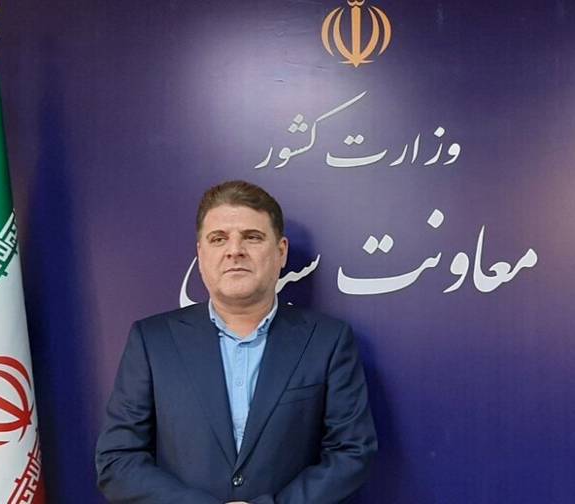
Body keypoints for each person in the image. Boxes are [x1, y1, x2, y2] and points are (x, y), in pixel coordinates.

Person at [96, 180, 377, 503]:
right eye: (218, 239)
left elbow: (352, 452)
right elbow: (118, 460)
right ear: (201, 254)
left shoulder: (328, 340)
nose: (234, 250)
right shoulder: (152, 342)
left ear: (281, 251)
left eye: (252, 237)